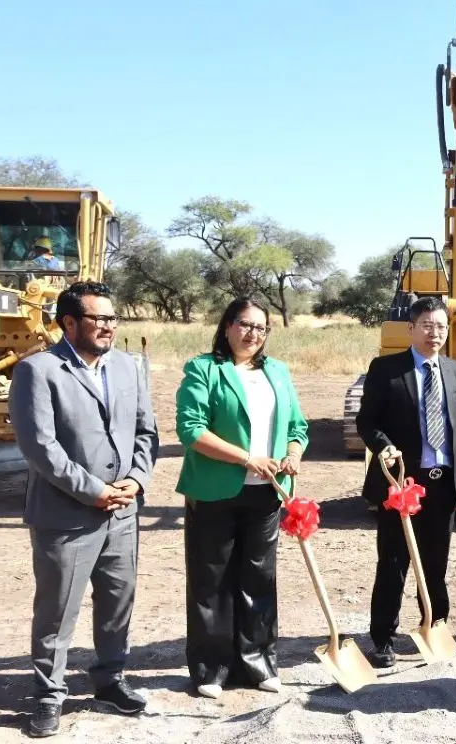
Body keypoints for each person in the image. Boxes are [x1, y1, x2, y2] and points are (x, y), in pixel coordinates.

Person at [9, 281, 159, 738]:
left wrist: (135, 479)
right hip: (66, 516)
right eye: (99, 319)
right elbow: (41, 447)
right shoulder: (38, 370)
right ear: (69, 322)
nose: (109, 327)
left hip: (122, 512)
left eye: (114, 319)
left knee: (117, 602)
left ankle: (110, 679)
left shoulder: (130, 367)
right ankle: (48, 695)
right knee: (57, 611)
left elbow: (145, 432)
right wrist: (93, 489)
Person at [174, 297, 309, 698]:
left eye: (261, 328)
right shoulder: (204, 369)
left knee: (259, 578)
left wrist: (293, 454)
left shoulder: (278, 372)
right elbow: (191, 430)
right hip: (214, 490)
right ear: (227, 326)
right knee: (211, 580)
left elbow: (298, 426)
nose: (253, 334)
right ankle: (210, 670)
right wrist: (248, 458)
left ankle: (258, 663)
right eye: (245, 325)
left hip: (266, 494)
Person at [356, 296, 456, 669]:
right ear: (411, 329)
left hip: (441, 483)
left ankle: (434, 625)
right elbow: (367, 422)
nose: (434, 333)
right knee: (393, 561)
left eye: (441, 326)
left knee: (436, 562)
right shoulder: (386, 369)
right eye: (427, 325)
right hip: (401, 482)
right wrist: (384, 447)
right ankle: (383, 639)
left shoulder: (454, 371)